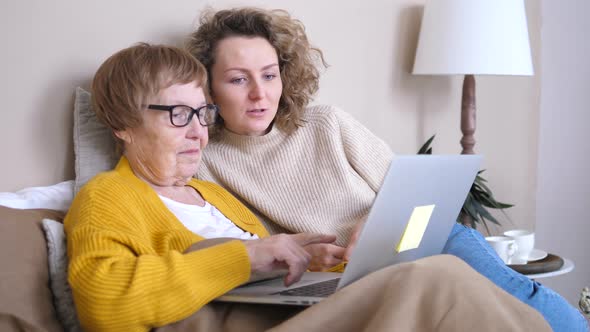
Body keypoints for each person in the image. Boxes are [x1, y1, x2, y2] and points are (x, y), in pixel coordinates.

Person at [64, 43, 552, 332]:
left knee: (446, 271)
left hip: (305, 310)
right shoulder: (108, 196)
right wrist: (247, 257)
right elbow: (103, 304)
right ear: (122, 125)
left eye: (202, 113)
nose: (198, 132)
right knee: (439, 280)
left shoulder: (213, 195)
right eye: (178, 115)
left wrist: (305, 253)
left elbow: (264, 264)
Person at [187, 7, 588, 331]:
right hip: (339, 280)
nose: (260, 93)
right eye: (239, 79)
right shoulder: (205, 161)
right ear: (208, 89)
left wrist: (382, 223)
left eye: (270, 75)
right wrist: (307, 253)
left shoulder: (327, 123)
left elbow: (416, 192)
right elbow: (243, 246)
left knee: (521, 298)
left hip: (423, 243)